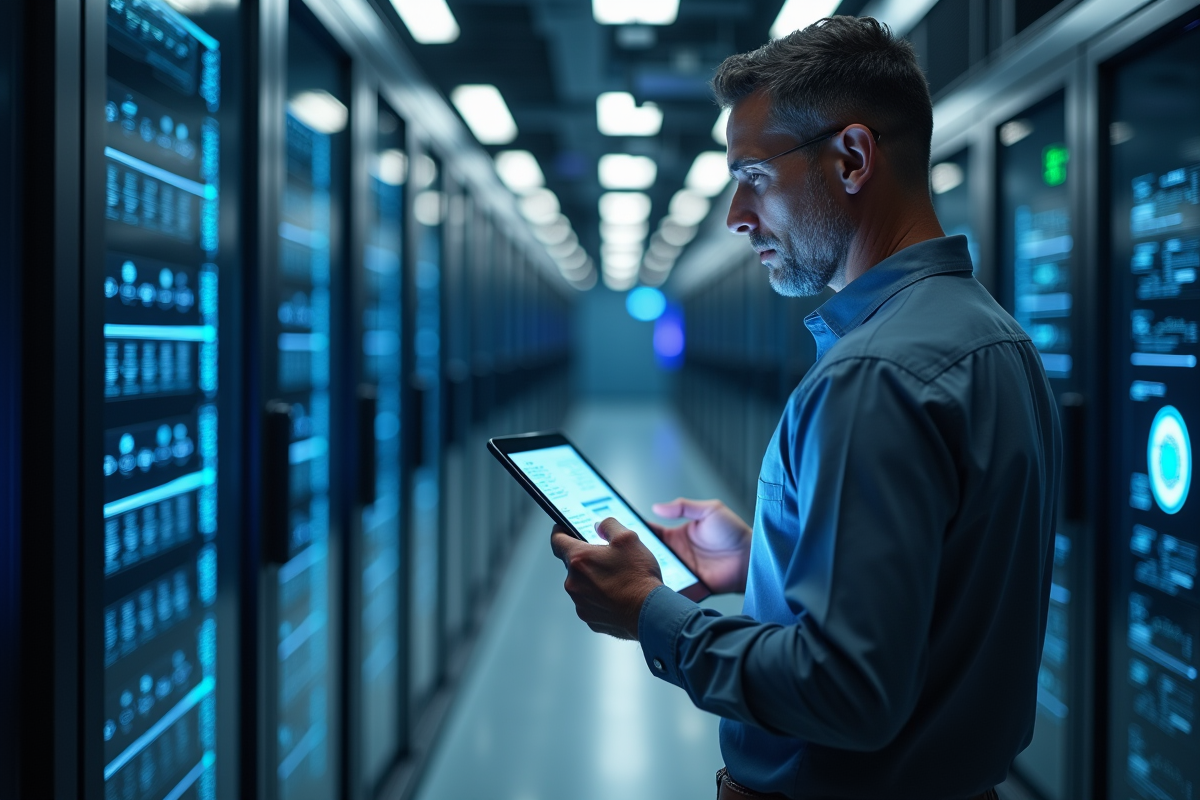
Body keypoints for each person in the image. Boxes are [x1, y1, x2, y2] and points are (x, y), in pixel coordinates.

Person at [550, 15, 1061, 800]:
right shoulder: (994, 339)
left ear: (852, 158)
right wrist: (766, 559)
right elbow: (937, 595)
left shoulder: (873, 374)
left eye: (752, 177)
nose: (736, 218)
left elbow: (846, 694)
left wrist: (650, 612)